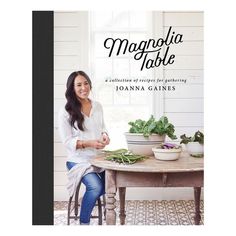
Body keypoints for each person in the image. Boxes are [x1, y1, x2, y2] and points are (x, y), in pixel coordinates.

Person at [58, 71, 110, 225]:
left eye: (86, 83)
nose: (83, 87)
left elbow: (102, 127)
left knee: (115, 181)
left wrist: (105, 136)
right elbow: (67, 141)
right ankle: (84, 223)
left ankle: (87, 198)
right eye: (78, 85)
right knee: (96, 187)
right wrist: (90, 143)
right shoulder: (65, 111)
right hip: (78, 161)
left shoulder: (98, 106)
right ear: (72, 88)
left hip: (98, 158)